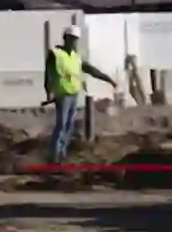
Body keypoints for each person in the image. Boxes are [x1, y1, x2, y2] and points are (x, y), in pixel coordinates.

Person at [44, 25, 118, 163]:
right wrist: (48, 91)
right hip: (62, 94)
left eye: (75, 39)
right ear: (65, 39)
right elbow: (48, 74)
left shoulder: (75, 57)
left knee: (68, 126)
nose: (73, 42)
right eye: (71, 39)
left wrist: (108, 79)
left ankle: (62, 154)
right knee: (61, 125)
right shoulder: (55, 54)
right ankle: (54, 155)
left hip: (73, 94)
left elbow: (90, 70)